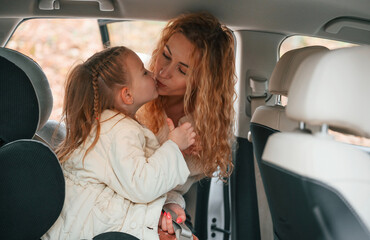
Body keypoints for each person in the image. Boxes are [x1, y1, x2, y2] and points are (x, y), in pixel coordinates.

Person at [42, 46, 196, 240]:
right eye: (144, 72)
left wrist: (169, 203)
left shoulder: (107, 125)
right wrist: (174, 146)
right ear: (127, 95)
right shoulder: (120, 129)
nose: (153, 73)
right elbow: (142, 186)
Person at [136, 12, 236, 237]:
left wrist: (171, 207)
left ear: (203, 82)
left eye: (182, 70)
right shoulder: (135, 90)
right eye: (165, 55)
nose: (162, 71)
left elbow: (170, 190)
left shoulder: (204, 133)